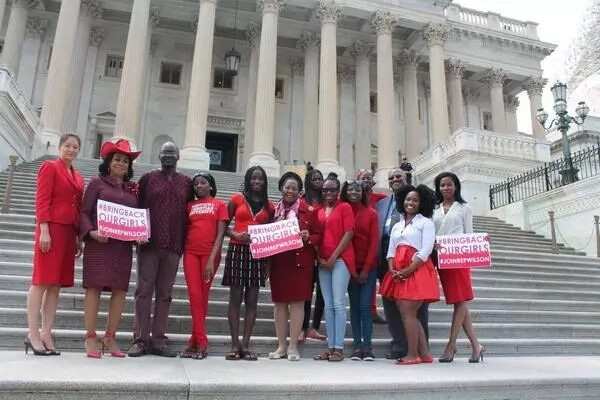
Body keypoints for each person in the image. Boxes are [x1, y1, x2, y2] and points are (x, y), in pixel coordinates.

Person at [128, 142, 193, 357]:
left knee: (165, 293)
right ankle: (140, 339)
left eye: (172, 153)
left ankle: (158, 340)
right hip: (149, 244)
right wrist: (137, 233)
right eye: (165, 153)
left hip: (173, 245)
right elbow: (137, 207)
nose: (168, 157)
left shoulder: (186, 183)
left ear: (178, 156)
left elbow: (189, 213)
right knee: (144, 290)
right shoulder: (147, 179)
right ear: (159, 155)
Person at [79, 139, 141, 358]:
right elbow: (84, 212)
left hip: (122, 248)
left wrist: (139, 234)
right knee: (94, 287)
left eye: (125, 161)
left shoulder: (133, 190)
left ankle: (110, 336)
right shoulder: (97, 183)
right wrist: (91, 232)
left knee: (120, 290)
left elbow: (137, 218)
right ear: (108, 162)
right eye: (117, 159)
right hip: (99, 244)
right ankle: (90, 337)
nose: (121, 163)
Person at [26, 133, 84, 356]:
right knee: (40, 281)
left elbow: (78, 207)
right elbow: (42, 200)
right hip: (50, 230)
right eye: (68, 146)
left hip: (68, 232)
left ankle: (46, 332)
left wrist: (79, 236)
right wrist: (43, 229)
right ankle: (32, 333)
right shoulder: (50, 167)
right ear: (60, 147)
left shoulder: (77, 176)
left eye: (75, 147)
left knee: (55, 285)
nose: (71, 150)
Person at [380, 184, 439, 365]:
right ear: (402, 201)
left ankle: (413, 355)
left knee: (408, 313)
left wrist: (407, 270)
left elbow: (426, 249)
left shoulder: (426, 222)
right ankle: (425, 354)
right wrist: (392, 268)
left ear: (421, 203)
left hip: (416, 270)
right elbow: (391, 250)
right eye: (408, 199)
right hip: (397, 272)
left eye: (415, 200)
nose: (410, 202)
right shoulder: (397, 225)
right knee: (409, 313)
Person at [375, 165, 429, 360]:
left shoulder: (416, 201)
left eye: (398, 176)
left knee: (416, 307)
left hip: (412, 261)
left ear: (406, 178)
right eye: (391, 178)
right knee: (390, 305)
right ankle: (399, 344)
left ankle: (422, 349)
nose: (395, 180)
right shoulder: (381, 204)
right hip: (387, 259)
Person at [433, 172, 485, 363]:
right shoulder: (435, 209)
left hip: (459, 257)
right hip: (442, 259)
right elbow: (433, 232)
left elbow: (469, 234)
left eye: (449, 184)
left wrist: (478, 246)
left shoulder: (464, 208)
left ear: (456, 187)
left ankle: (451, 345)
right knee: (459, 302)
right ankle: (476, 346)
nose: (446, 188)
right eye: (442, 185)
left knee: (460, 301)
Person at [269, 172, 321, 361]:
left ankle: (293, 347)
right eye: (287, 187)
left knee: (298, 303)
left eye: (294, 188)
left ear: (300, 191)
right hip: (279, 262)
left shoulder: (309, 210)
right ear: (282, 188)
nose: (290, 190)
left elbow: (318, 236)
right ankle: (281, 346)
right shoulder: (274, 210)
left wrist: (309, 238)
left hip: (300, 262)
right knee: (280, 304)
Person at [223, 166, 273, 361]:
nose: (257, 182)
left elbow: (271, 235)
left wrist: (268, 264)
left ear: (265, 182)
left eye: (260, 179)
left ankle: (246, 344)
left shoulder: (269, 206)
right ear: (247, 179)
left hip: (258, 254)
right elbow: (223, 225)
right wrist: (236, 234)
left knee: (252, 301)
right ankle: (234, 344)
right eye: (253, 178)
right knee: (235, 299)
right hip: (237, 250)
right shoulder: (236, 200)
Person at [181, 172, 228, 360]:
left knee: (202, 296)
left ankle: (197, 341)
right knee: (195, 295)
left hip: (210, 255)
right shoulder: (189, 206)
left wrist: (211, 259)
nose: (199, 186)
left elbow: (220, 235)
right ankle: (199, 341)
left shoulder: (219, 205)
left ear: (211, 186)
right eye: (196, 184)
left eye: (203, 183)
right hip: (190, 253)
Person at [313, 175, 356, 362]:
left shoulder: (344, 207)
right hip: (323, 262)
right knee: (328, 305)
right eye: (325, 190)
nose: (328, 193)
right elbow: (316, 235)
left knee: (338, 303)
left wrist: (333, 257)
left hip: (340, 260)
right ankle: (330, 347)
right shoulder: (319, 210)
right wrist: (319, 257)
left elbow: (349, 233)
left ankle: (339, 348)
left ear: (338, 191)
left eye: (331, 190)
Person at [341, 180, 379, 361]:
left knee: (365, 307)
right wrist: (353, 269)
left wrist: (365, 269)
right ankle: (357, 346)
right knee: (354, 308)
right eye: (350, 189)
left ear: (362, 192)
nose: (354, 191)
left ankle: (368, 346)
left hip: (368, 269)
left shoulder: (371, 213)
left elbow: (374, 244)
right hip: (349, 267)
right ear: (345, 192)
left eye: (357, 189)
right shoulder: (343, 211)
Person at [356, 168, 387, 324]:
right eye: (363, 178)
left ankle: (372, 310)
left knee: (373, 279)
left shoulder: (381, 198)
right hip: (358, 246)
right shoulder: (354, 198)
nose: (367, 180)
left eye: (369, 178)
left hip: (378, 244)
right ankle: (360, 310)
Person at [299, 167, 326, 342]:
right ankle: (302, 327)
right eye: (314, 178)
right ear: (308, 181)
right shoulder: (301, 202)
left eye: (320, 177)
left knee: (322, 293)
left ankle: (314, 327)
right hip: (306, 252)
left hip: (324, 253)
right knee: (306, 292)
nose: (318, 180)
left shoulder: (327, 202)